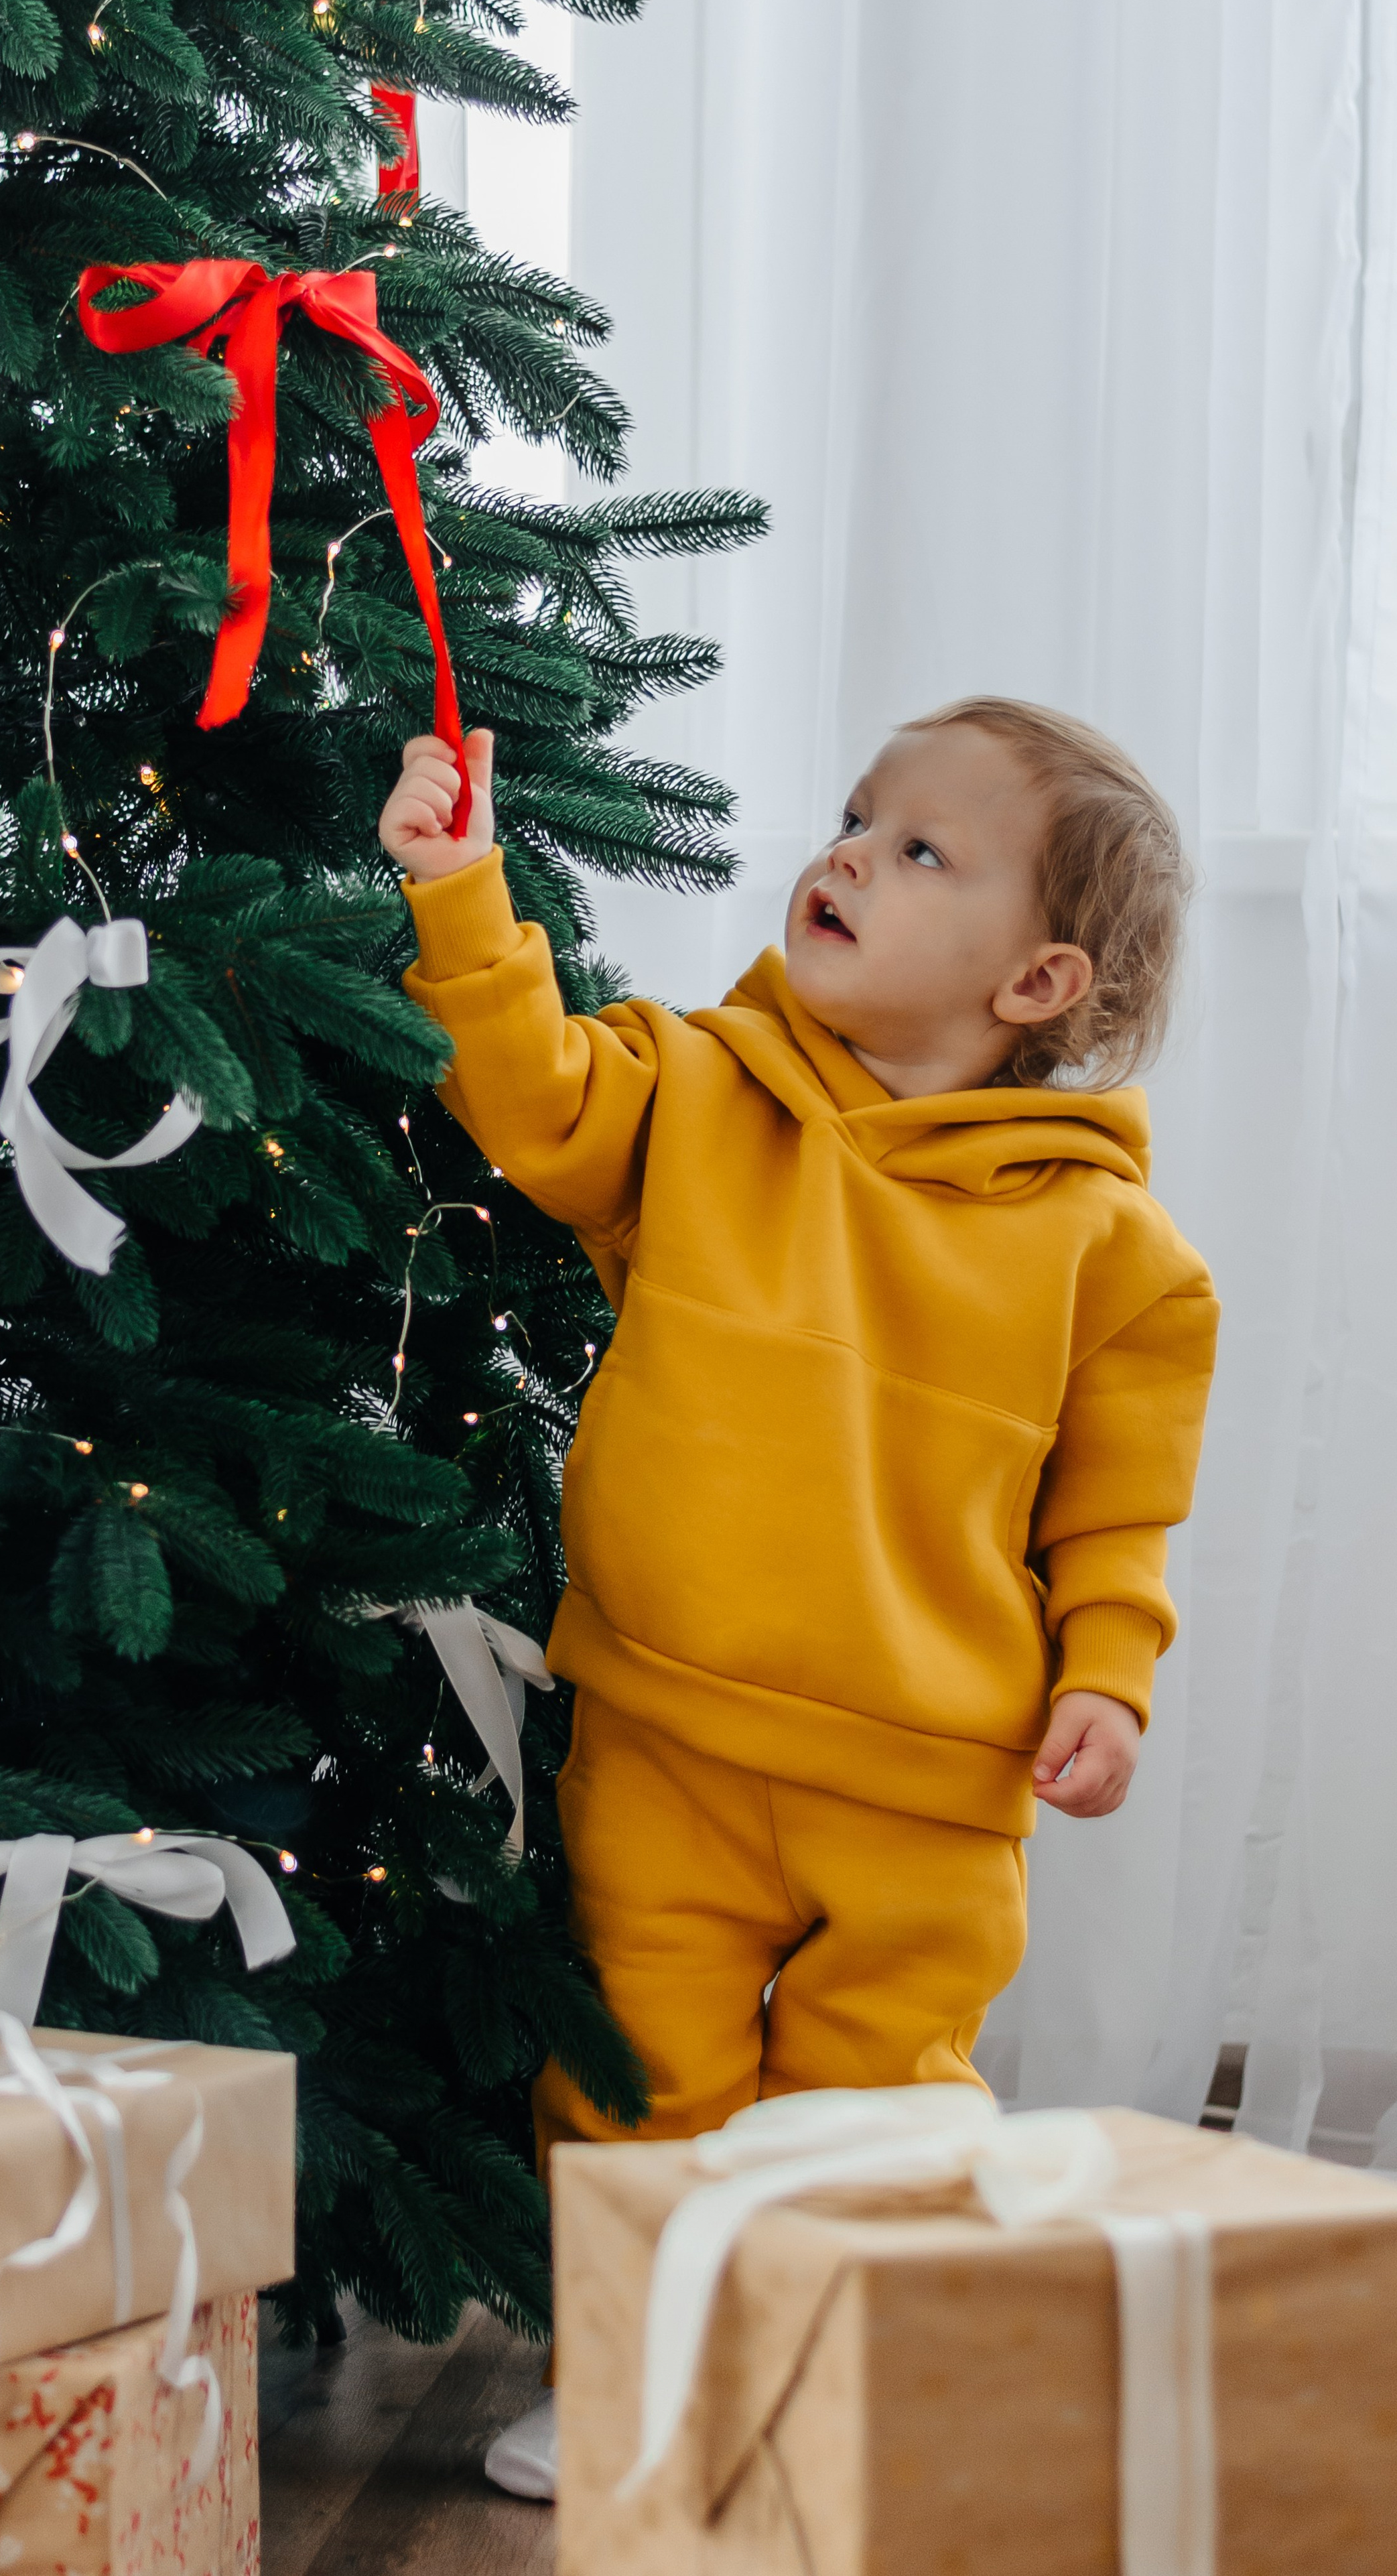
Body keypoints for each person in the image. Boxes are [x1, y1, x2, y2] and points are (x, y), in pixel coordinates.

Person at [378, 698, 1219, 2502]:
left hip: (926, 1784)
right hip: (670, 1728)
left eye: (923, 849)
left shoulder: (1114, 1254)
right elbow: (530, 1101)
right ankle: (633, 2374)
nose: (846, 853)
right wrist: (462, 891)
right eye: (855, 815)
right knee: (631, 2079)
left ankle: (835, 2373)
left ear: (1036, 981)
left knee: (873, 2105)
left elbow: (1121, 1512)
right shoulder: (703, 1093)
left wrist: (1112, 1680)